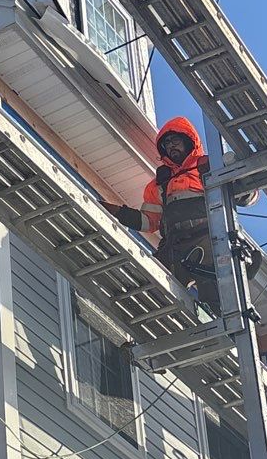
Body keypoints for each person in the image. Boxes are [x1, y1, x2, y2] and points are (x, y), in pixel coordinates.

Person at [109, 116, 258, 313]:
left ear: (189, 140)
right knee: (152, 285)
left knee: (214, 284)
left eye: (175, 141)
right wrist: (119, 213)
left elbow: (249, 195)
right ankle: (154, 328)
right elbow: (149, 222)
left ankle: (221, 323)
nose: (171, 147)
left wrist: (243, 188)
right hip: (174, 245)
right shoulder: (160, 182)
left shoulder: (208, 164)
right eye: (166, 144)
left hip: (208, 236)